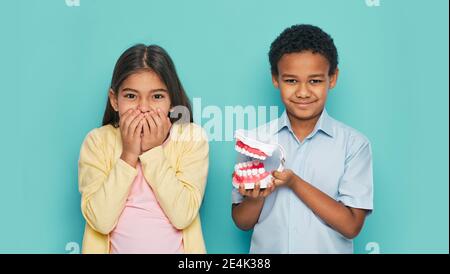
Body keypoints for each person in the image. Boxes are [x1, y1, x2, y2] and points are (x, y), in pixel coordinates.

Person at [231, 24, 374, 253]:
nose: (303, 92)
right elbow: (242, 222)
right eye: (291, 81)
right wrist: (257, 197)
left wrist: (293, 182)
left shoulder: (354, 145)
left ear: (333, 78)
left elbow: (351, 225)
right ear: (275, 79)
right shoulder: (256, 142)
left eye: (315, 81)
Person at [78, 44, 209, 254]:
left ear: (172, 101)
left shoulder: (191, 138)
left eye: (157, 96)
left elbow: (183, 215)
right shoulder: (97, 142)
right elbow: (101, 221)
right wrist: (128, 155)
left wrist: (152, 152)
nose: (144, 107)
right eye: (131, 96)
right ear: (115, 100)